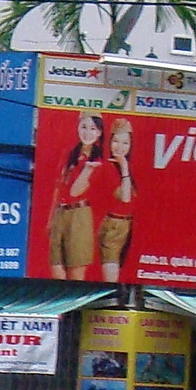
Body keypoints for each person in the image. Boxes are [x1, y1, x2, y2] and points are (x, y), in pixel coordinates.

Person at [47, 111, 105, 281]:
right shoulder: (69, 153)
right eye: (84, 127)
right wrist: (51, 218)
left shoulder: (99, 160)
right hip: (60, 212)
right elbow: (58, 186)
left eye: (93, 129)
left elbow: (75, 191)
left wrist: (87, 170)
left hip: (79, 215)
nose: (87, 132)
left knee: (75, 274)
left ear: (99, 132)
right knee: (55, 267)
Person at [97, 117, 138, 284]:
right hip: (113, 226)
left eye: (125, 143)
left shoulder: (124, 167)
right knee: (111, 280)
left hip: (128, 226)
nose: (120, 147)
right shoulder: (108, 167)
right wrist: (125, 167)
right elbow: (125, 198)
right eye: (116, 141)